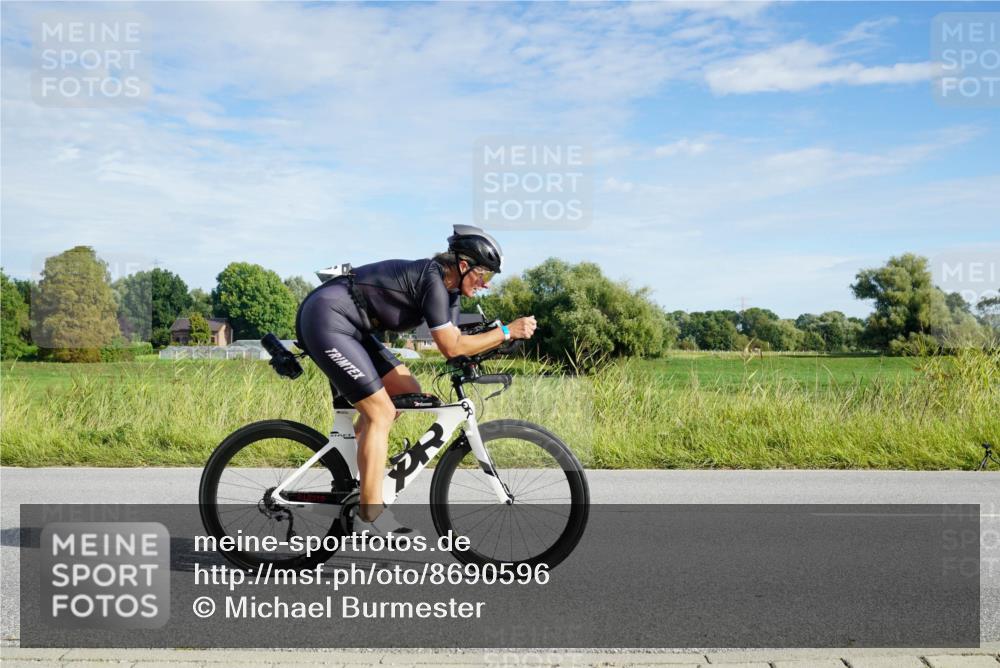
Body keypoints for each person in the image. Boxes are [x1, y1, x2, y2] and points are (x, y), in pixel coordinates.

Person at [295, 225, 537, 530]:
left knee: (406, 390)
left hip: (352, 327)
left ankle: (350, 474)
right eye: (483, 275)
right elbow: (451, 347)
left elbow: (458, 341)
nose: (485, 284)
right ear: (463, 266)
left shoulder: (449, 294)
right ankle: (370, 513)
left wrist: (494, 343)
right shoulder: (433, 281)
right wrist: (505, 332)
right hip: (326, 318)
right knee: (380, 411)